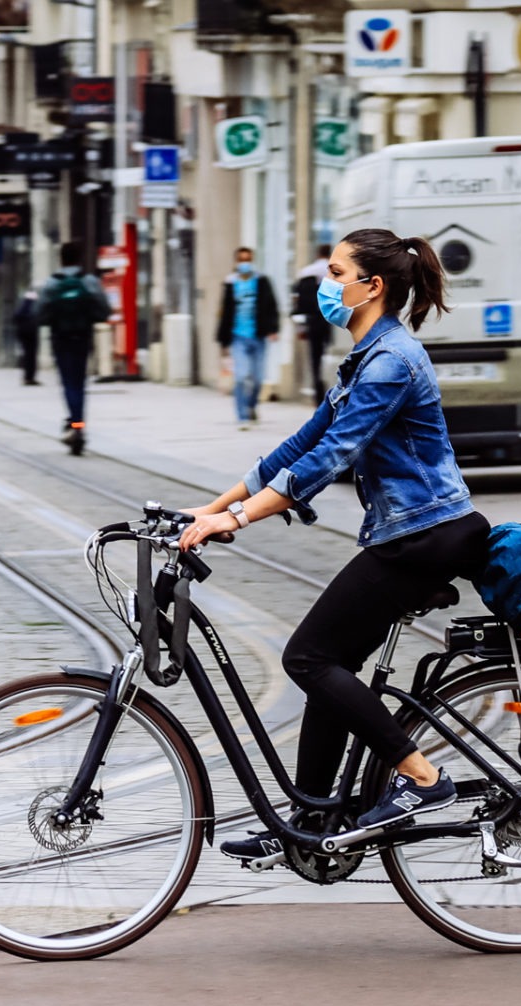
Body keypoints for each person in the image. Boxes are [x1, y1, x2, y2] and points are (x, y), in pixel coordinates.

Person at [176, 228, 490, 856]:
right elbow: (300, 444)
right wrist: (209, 508)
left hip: (425, 535)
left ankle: (422, 779)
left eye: (337, 272)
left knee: (308, 659)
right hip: (410, 532)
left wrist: (236, 522)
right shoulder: (366, 357)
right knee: (326, 665)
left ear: (371, 287)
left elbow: (330, 458)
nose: (327, 284)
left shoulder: (392, 361)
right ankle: (310, 824)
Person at [35, 241, 110, 455]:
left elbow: (39, 315)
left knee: (68, 384)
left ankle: (75, 424)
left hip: (60, 338)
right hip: (83, 337)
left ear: (61, 259)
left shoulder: (51, 284)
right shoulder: (89, 281)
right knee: (79, 383)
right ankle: (78, 426)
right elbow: (104, 310)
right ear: (79, 259)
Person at [213, 245, 281, 431]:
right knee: (242, 377)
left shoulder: (262, 281)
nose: (245, 263)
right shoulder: (230, 283)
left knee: (258, 379)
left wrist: (273, 329)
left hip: (258, 336)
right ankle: (242, 415)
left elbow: (271, 306)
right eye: (241, 260)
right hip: (238, 337)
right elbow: (225, 312)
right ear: (236, 262)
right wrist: (223, 340)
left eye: (248, 260)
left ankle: (252, 406)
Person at [293, 243, 334, 403]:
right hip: (331, 321)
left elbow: (299, 303)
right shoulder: (335, 271)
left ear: (317, 254)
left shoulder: (306, 272)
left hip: (313, 321)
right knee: (331, 355)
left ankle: (319, 393)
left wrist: (300, 327)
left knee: (315, 358)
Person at [11, 288, 41, 386]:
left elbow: (15, 318)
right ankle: (30, 377)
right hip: (31, 334)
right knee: (31, 356)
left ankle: (27, 377)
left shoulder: (22, 306)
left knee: (27, 355)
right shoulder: (34, 306)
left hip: (23, 333)